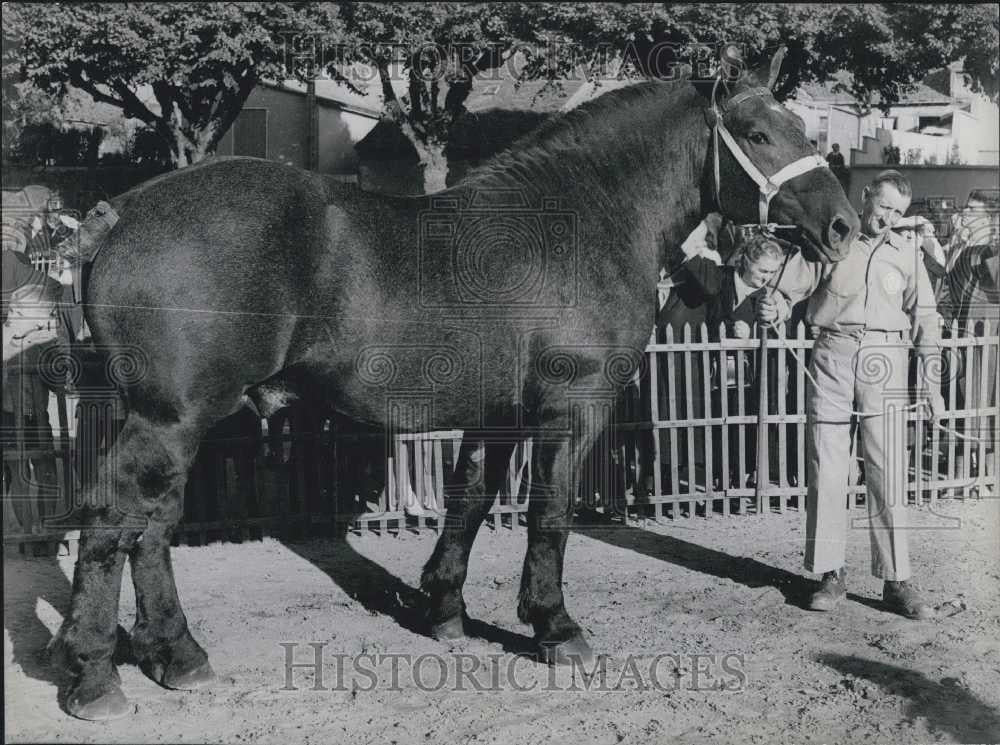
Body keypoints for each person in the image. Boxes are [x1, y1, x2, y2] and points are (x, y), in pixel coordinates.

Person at [769, 169, 945, 620]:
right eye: (883, 206)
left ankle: (896, 578)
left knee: (887, 468)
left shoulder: (907, 253)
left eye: (897, 212)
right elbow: (787, 288)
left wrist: (930, 379)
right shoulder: (834, 236)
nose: (888, 218)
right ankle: (830, 573)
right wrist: (774, 302)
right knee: (827, 466)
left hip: (886, 360)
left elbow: (925, 318)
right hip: (833, 353)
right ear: (864, 196)